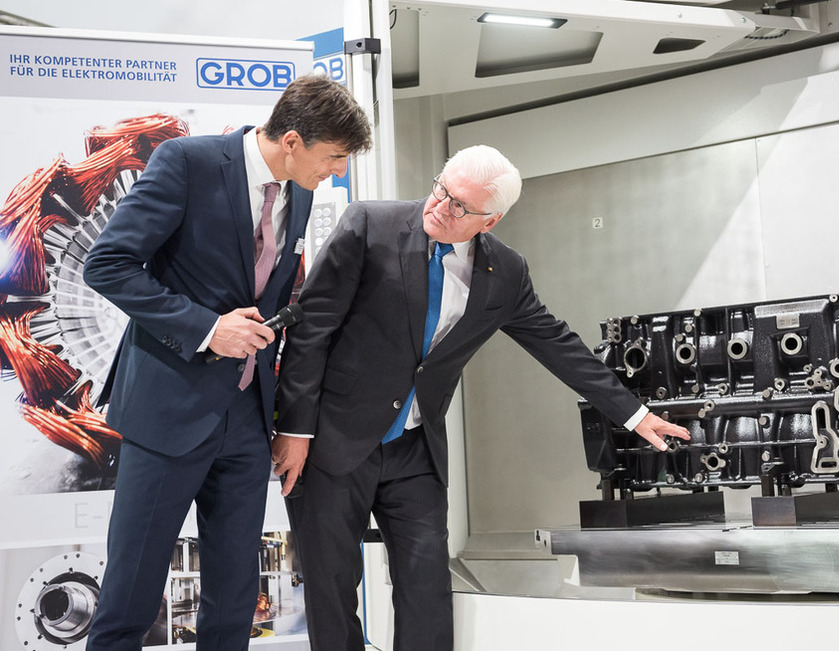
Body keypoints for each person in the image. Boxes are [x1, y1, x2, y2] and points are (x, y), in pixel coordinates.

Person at [272, 144, 690, 650]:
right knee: (332, 593)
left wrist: (634, 413)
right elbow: (311, 331)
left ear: (488, 222)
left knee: (426, 592)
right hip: (333, 441)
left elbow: (555, 342)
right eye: (441, 189)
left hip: (415, 450)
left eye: (459, 207)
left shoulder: (506, 274)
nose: (439, 207)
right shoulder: (369, 226)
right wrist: (294, 430)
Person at [82, 74, 371, 651]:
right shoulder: (186, 163)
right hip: (168, 411)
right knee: (131, 595)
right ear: (292, 140)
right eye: (334, 157)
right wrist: (208, 329)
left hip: (246, 416)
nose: (338, 171)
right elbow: (108, 264)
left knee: (237, 597)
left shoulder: (302, 189)